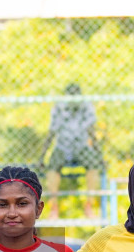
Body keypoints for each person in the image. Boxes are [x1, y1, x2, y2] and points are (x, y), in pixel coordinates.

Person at [40, 83, 103, 220]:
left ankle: (89, 205)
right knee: (52, 167)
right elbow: (52, 132)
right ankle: (54, 208)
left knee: (94, 165)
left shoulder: (86, 106)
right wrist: (42, 156)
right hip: (63, 145)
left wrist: (99, 156)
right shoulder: (59, 107)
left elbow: (92, 131)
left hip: (81, 146)